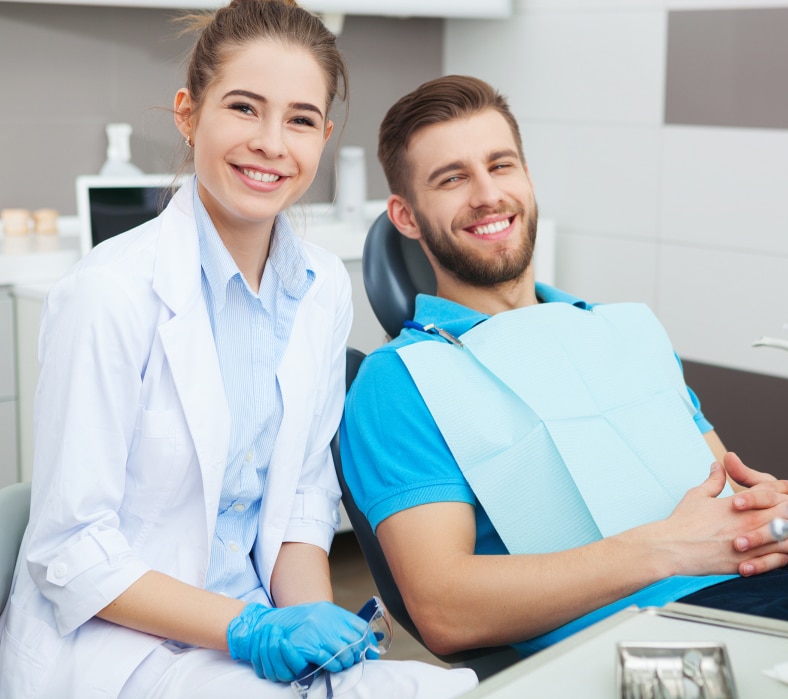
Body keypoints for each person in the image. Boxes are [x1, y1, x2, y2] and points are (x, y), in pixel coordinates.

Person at [0, 7, 478, 698]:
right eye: (244, 108)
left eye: (300, 119)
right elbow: (70, 551)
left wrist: (310, 631)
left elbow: (303, 502)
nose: (271, 143)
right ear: (188, 114)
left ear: (323, 137)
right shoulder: (108, 294)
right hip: (120, 647)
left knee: (445, 688)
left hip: (248, 630)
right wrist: (249, 630)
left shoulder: (319, 293)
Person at [339, 74, 788, 660]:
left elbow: (722, 494)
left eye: (501, 166)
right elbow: (444, 608)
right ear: (406, 215)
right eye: (452, 178)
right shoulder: (399, 381)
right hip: (687, 629)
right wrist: (669, 549)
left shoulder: (627, 330)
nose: (486, 195)